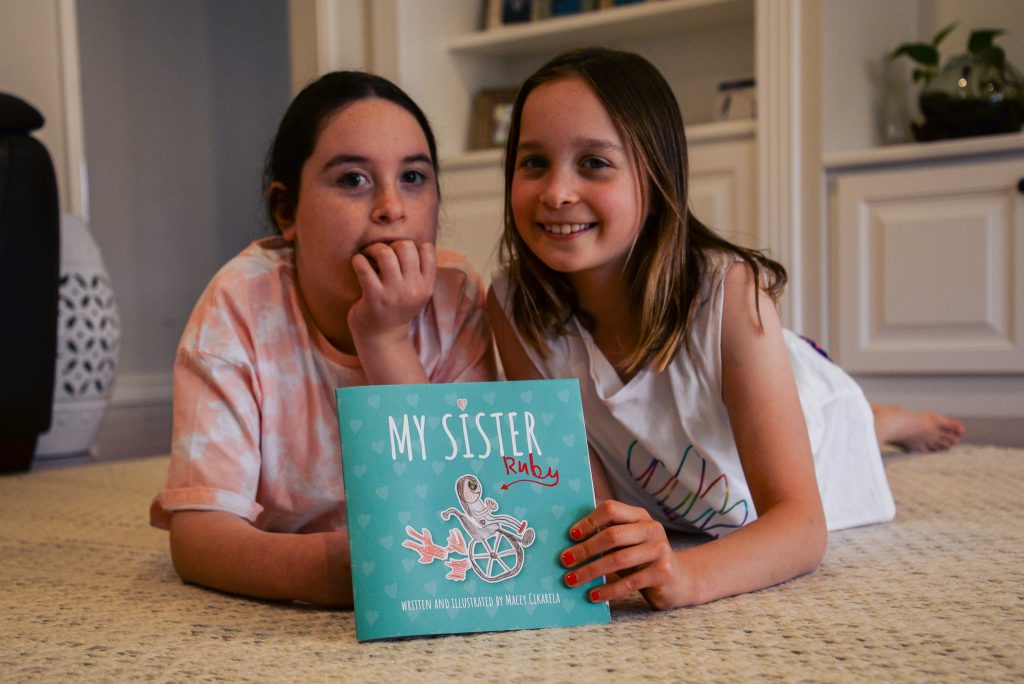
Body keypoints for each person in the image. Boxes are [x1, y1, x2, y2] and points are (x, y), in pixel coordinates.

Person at [487, 47, 964, 611]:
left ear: (656, 177)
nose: (556, 193)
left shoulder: (731, 293)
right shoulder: (510, 302)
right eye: (533, 162)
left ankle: (887, 421)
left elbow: (802, 525)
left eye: (593, 163)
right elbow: (581, 490)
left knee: (846, 420)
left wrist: (685, 575)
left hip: (811, 412)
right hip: (672, 461)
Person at [150, 71, 496, 607]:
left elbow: (463, 494)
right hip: (322, 558)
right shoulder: (238, 307)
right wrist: (342, 571)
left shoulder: (458, 296)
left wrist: (385, 338)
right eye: (353, 180)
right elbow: (199, 537)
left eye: (413, 177)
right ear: (287, 211)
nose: (391, 207)